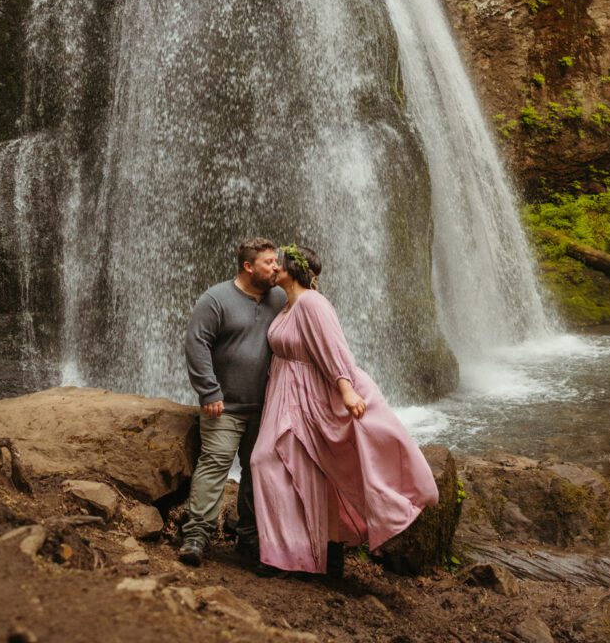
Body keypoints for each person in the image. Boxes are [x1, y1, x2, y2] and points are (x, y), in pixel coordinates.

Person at [251, 244, 439, 577]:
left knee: (268, 460)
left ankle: (316, 555)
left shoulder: (312, 303)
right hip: (286, 394)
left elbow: (334, 347)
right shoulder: (287, 306)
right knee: (286, 465)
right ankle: (302, 554)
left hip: (308, 397)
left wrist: (347, 389)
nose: (274, 267)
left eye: (279, 263)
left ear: (293, 269)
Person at [178, 237, 286, 566]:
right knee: (215, 465)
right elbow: (197, 343)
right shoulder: (216, 298)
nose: (276, 267)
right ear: (248, 266)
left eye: (277, 261)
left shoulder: (280, 298)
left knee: (258, 473)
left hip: (266, 408)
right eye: (269, 262)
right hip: (223, 407)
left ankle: (250, 539)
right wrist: (209, 391)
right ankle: (197, 536)